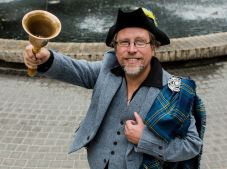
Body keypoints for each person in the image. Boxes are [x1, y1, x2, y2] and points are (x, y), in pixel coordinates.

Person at [23, 7, 205, 169]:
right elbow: (75, 69)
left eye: (140, 42)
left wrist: (145, 140)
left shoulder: (175, 91)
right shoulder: (107, 70)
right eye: (124, 42)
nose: (132, 49)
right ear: (115, 48)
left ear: (154, 47)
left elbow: (192, 145)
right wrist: (46, 58)